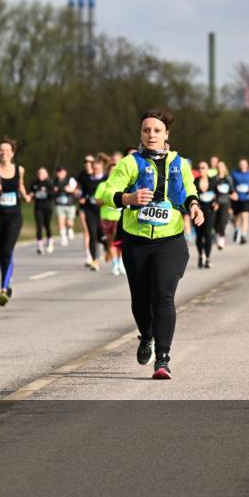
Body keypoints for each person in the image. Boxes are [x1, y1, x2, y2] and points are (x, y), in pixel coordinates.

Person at [101, 109, 203, 380]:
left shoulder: (178, 163)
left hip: (170, 240)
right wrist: (128, 198)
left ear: (166, 134)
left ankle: (163, 359)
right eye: (147, 130)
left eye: (157, 130)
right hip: (137, 241)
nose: (151, 135)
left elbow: (189, 190)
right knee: (140, 299)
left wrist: (194, 206)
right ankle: (147, 335)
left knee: (163, 296)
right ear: (141, 134)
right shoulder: (129, 163)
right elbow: (107, 191)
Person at [0, 138, 32, 306]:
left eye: (7, 150)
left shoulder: (19, 170)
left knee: (8, 250)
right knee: (2, 252)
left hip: (14, 216)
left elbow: (21, 186)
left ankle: (3, 289)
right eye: (1, 150)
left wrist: (25, 195)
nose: (4, 153)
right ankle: (7, 283)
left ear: (12, 153)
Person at [79, 154, 107, 271]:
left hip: (104, 211)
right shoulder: (87, 179)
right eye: (94, 168)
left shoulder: (106, 178)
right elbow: (83, 192)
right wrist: (82, 197)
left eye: (98, 168)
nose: (95, 170)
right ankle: (95, 260)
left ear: (102, 167)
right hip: (90, 210)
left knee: (102, 235)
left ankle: (107, 246)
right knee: (92, 234)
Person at [94, 163, 123, 276]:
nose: (113, 172)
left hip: (120, 217)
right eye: (111, 170)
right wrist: (108, 200)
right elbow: (97, 201)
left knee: (119, 242)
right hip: (106, 217)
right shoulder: (102, 185)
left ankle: (120, 262)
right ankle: (115, 264)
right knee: (110, 241)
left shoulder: (123, 184)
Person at [230, 158, 249, 244]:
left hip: (246, 198)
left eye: (244, 164)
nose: (242, 166)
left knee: (245, 216)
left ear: (247, 165)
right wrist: (232, 192)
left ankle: (243, 235)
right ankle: (237, 230)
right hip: (236, 198)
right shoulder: (234, 173)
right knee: (235, 218)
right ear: (239, 165)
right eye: (241, 164)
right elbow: (230, 184)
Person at [194, 170, 218, 268]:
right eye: (200, 168)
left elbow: (219, 193)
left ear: (207, 169)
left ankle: (207, 258)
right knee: (199, 235)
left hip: (210, 211)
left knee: (208, 234)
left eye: (204, 167)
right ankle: (200, 255)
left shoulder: (213, 181)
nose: (202, 169)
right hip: (198, 211)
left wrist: (217, 202)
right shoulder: (195, 182)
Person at [29, 166, 54, 254]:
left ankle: (49, 242)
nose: (41, 175)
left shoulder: (49, 183)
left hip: (47, 207)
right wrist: (31, 195)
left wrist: (46, 191)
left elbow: (53, 194)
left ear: (46, 174)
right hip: (38, 207)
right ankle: (39, 245)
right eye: (39, 173)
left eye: (43, 173)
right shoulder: (34, 183)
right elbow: (31, 193)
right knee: (39, 225)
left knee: (47, 225)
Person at [52, 167, 78, 247]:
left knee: (69, 222)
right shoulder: (55, 181)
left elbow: (75, 189)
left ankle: (70, 229)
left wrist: (68, 189)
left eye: (61, 172)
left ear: (65, 172)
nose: (60, 174)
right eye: (58, 172)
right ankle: (63, 237)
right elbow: (53, 190)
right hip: (59, 204)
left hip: (70, 204)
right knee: (61, 221)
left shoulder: (70, 180)